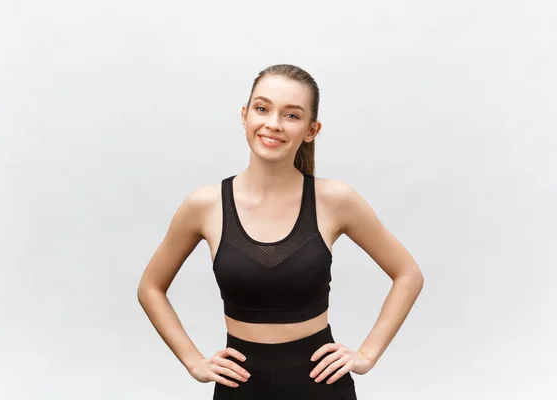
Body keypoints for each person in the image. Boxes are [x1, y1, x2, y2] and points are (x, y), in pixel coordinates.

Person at [137, 64, 424, 399]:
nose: (273, 124)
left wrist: (366, 355)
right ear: (245, 115)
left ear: (311, 130)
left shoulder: (335, 200)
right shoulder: (204, 205)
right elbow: (150, 287)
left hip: (320, 386)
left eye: (291, 115)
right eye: (262, 109)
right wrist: (194, 362)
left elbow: (408, 274)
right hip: (240, 388)